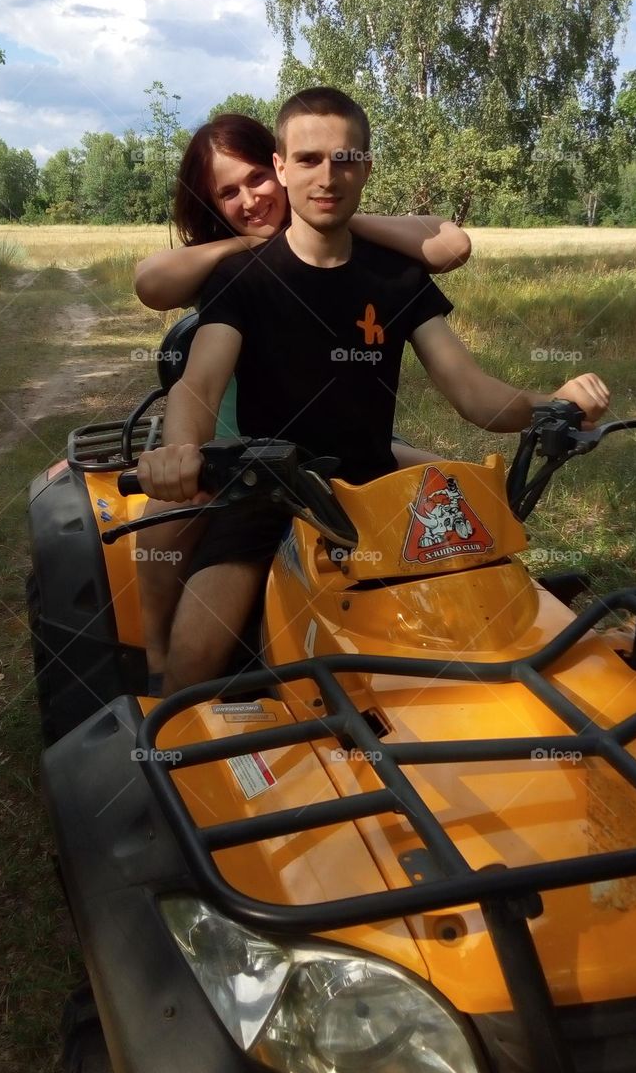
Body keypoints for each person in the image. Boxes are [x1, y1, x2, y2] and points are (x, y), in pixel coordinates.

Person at [137, 87, 610, 696]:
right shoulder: (240, 278)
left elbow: (471, 392)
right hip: (267, 488)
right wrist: (181, 449)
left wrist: (555, 403)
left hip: (376, 489)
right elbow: (199, 384)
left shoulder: (397, 277)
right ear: (284, 168)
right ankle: (167, 729)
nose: (327, 176)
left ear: (366, 167)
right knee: (195, 655)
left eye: (345, 159)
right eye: (307, 160)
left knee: (479, 571)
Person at [133, 113, 471, 687]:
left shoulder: (339, 239)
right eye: (227, 192)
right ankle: (156, 654)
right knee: (161, 524)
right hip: (235, 452)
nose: (249, 199)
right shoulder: (230, 268)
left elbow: (450, 244)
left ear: (279, 169)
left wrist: (330, 211)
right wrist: (249, 243)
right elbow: (151, 282)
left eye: (256, 180)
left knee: (455, 493)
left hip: (342, 444)